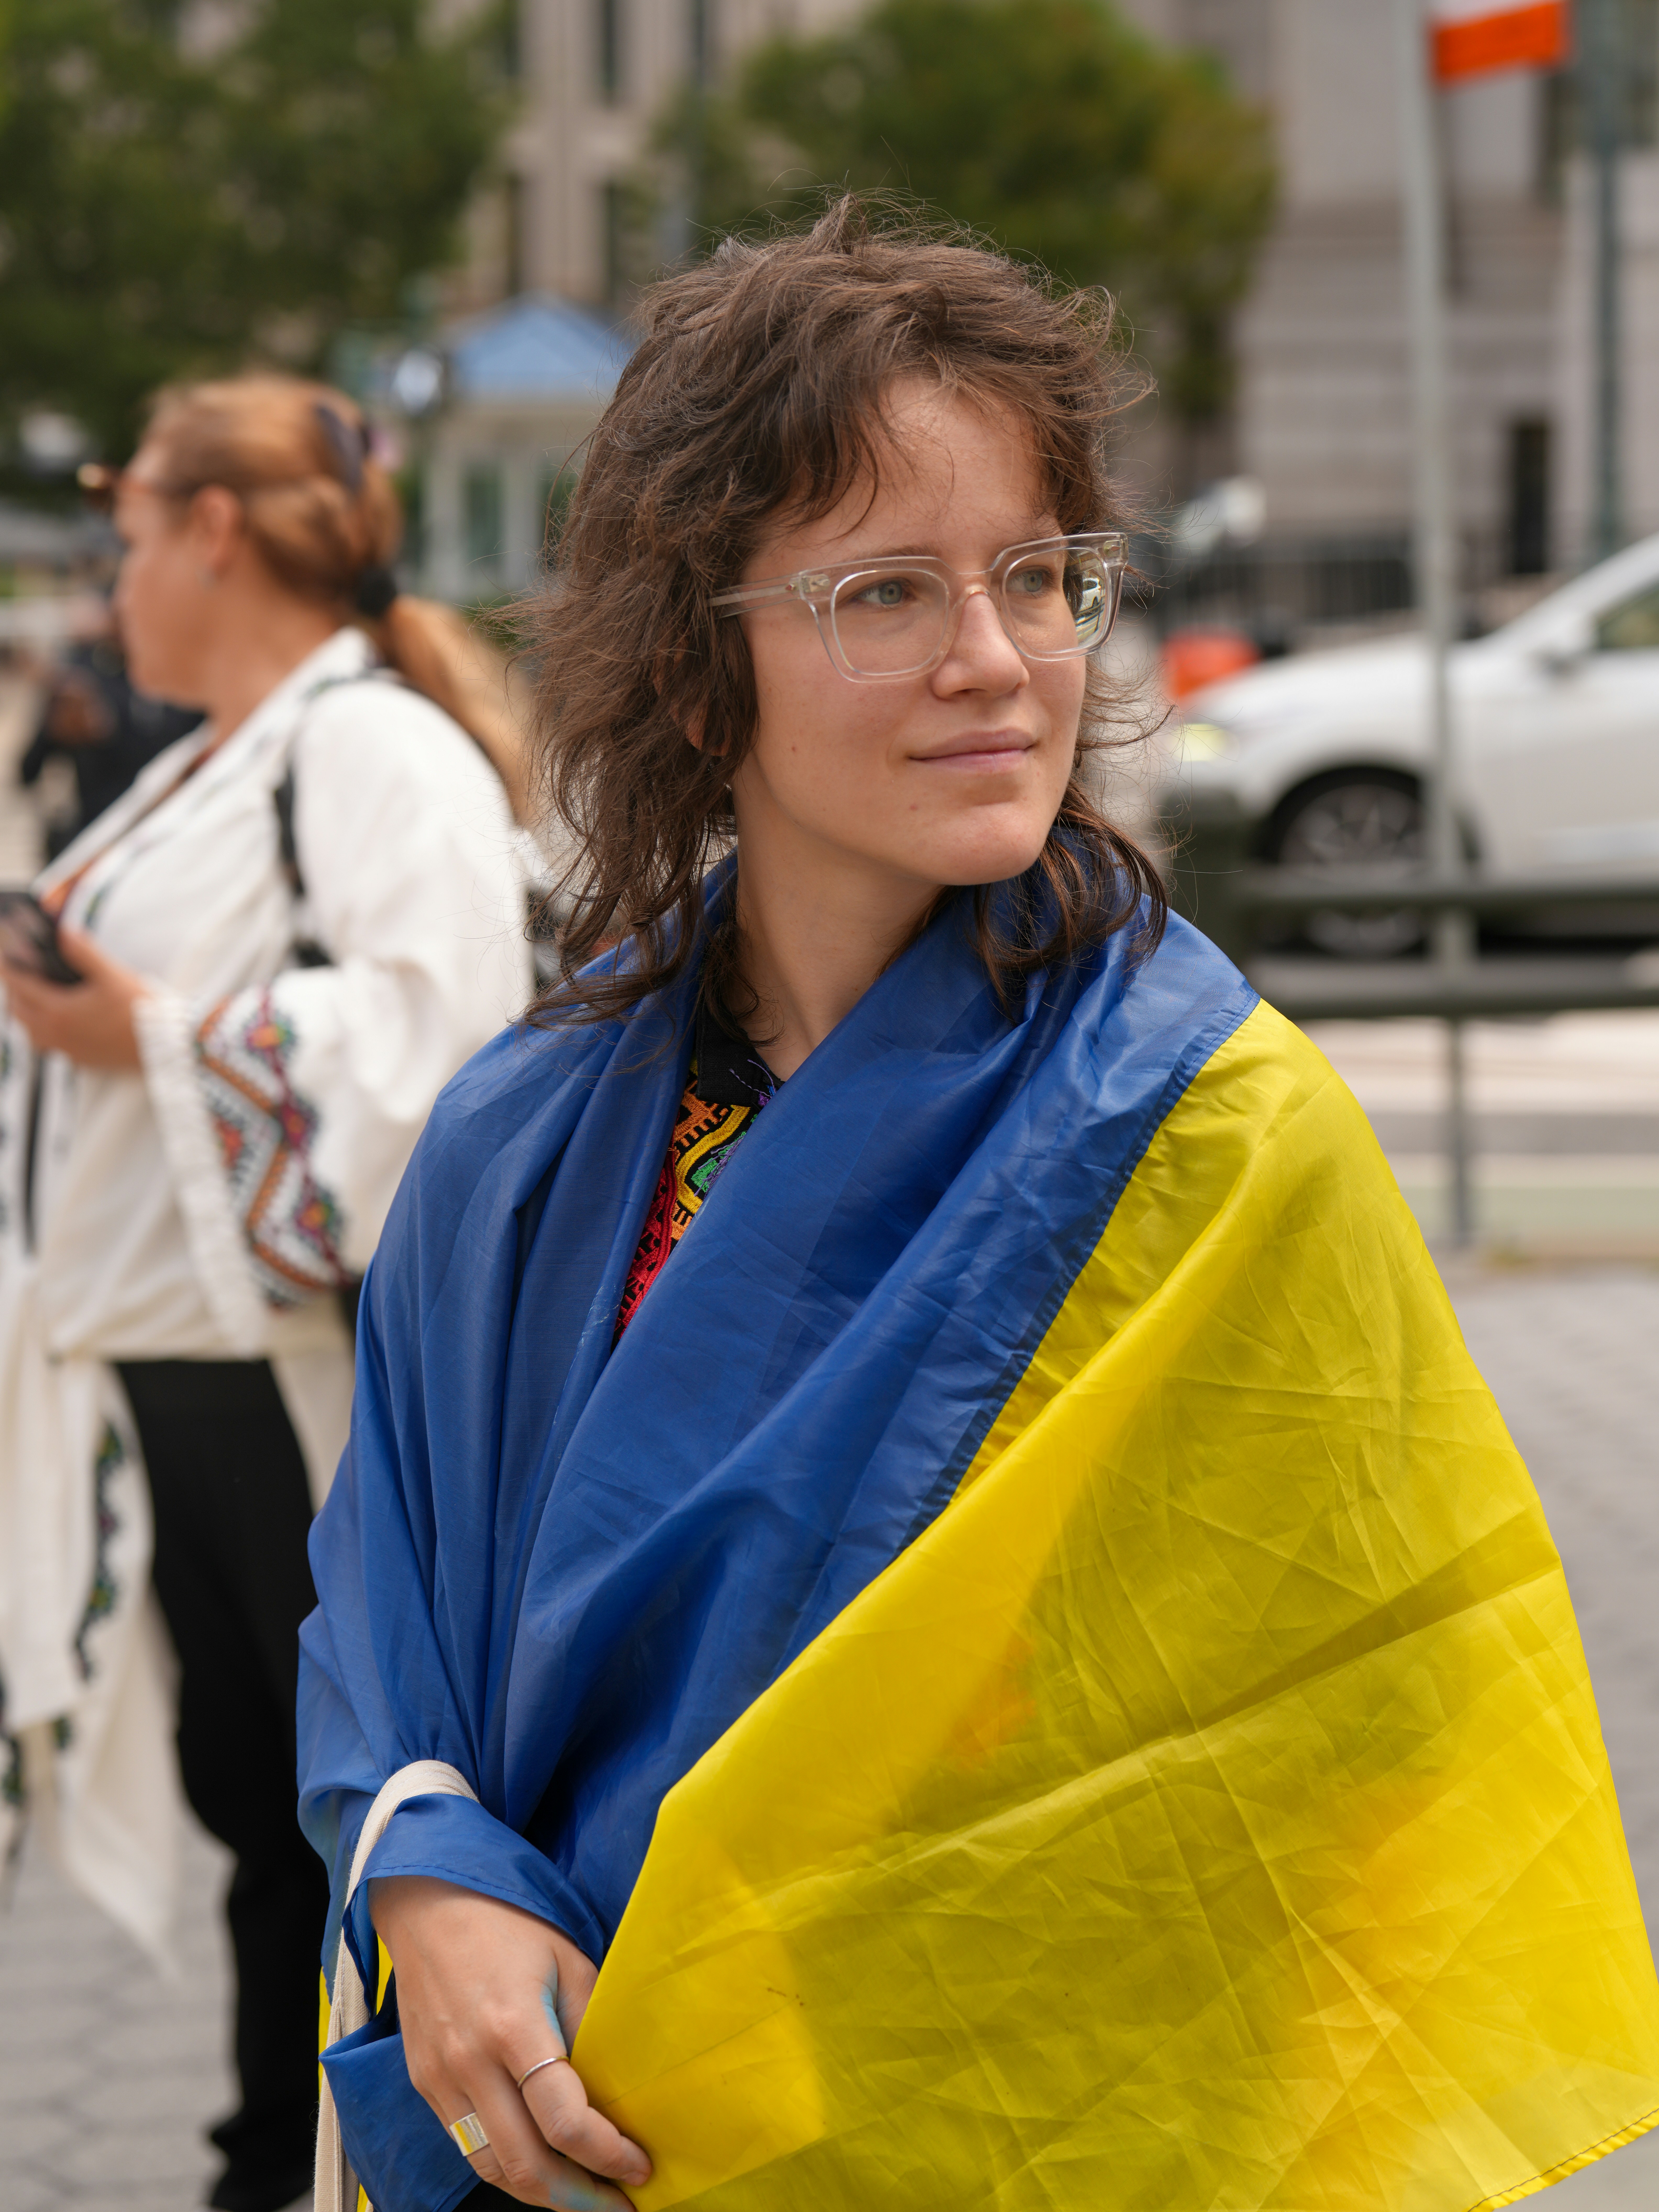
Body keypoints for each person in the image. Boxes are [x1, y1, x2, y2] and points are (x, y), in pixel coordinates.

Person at [300, 204, 1659, 2212]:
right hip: (560, 2115)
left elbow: (1360, 1729)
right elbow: (389, 1573)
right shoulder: (518, 1135)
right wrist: (422, 1859)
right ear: (699, 670)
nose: (996, 658)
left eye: (1040, 573)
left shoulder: (1212, 1138)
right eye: (882, 591)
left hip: (1044, 2128)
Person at [0, 375, 533, 2212]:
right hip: (178, 1371)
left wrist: (139, 1030)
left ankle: (337, 2160)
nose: (112, 571)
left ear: (212, 530)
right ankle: (274, 2154)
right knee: (263, 1818)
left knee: (331, 1826)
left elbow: (445, 1052)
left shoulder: (369, 752)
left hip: (287, 1378)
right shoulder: (216, 753)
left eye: (127, 525)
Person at [18, 596, 200, 859]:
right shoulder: (81, 679)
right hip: (96, 843)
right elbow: (28, 771)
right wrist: (58, 731)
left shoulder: (182, 680)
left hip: (171, 841)